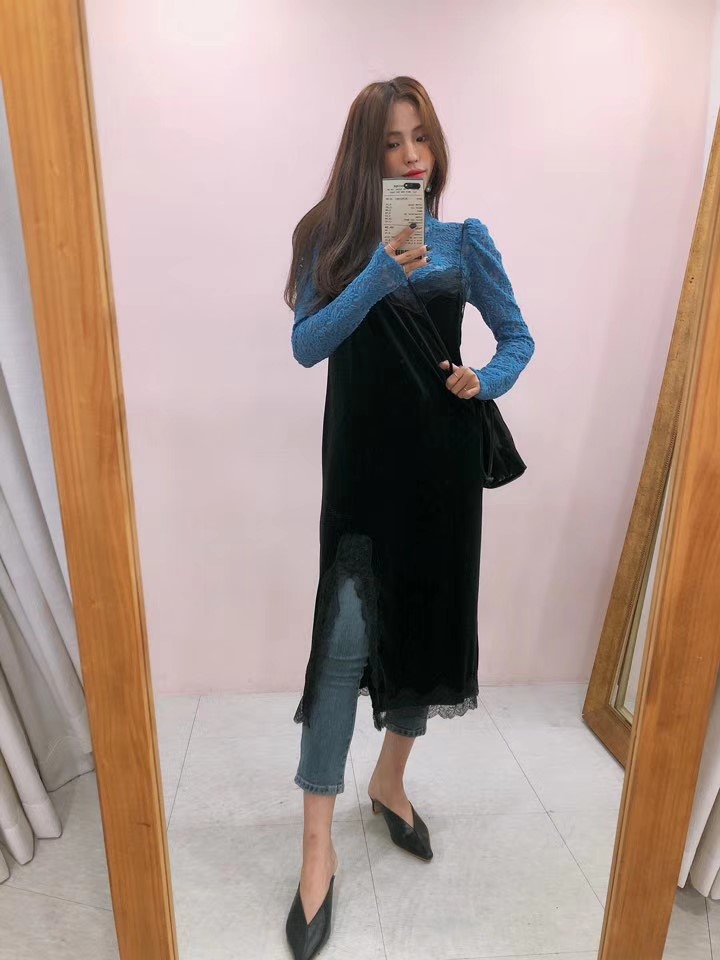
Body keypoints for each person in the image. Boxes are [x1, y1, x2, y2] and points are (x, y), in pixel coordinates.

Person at [283, 76, 535, 960]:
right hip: (360, 482)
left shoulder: (465, 242)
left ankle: (390, 781)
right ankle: (316, 850)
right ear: (366, 154)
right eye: (391, 142)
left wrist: (484, 379)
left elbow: (518, 339)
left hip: (441, 476)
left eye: (420, 136)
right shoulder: (326, 240)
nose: (412, 156)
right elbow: (307, 344)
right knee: (341, 649)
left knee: (426, 634)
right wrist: (380, 273)